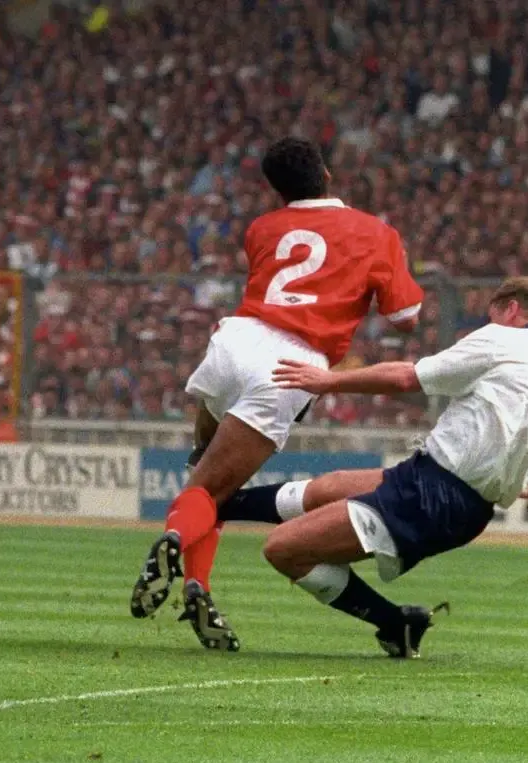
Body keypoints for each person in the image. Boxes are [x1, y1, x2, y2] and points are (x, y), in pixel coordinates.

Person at [128, 137, 424, 650]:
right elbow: (405, 319)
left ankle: (197, 584)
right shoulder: (377, 233)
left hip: (234, 338)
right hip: (291, 362)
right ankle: (176, 541)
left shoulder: (262, 228)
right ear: (327, 174)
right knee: (212, 492)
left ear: (275, 187)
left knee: (203, 475)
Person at [238, 277, 528, 657]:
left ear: (511, 309)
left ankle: (394, 622)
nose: (486, 324)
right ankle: (216, 504)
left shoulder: (503, 339)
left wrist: (328, 381)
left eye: (491, 315)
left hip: (434, 494)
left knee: (284, 549)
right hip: (457, 500)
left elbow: (407, 377)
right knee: (330, 487)